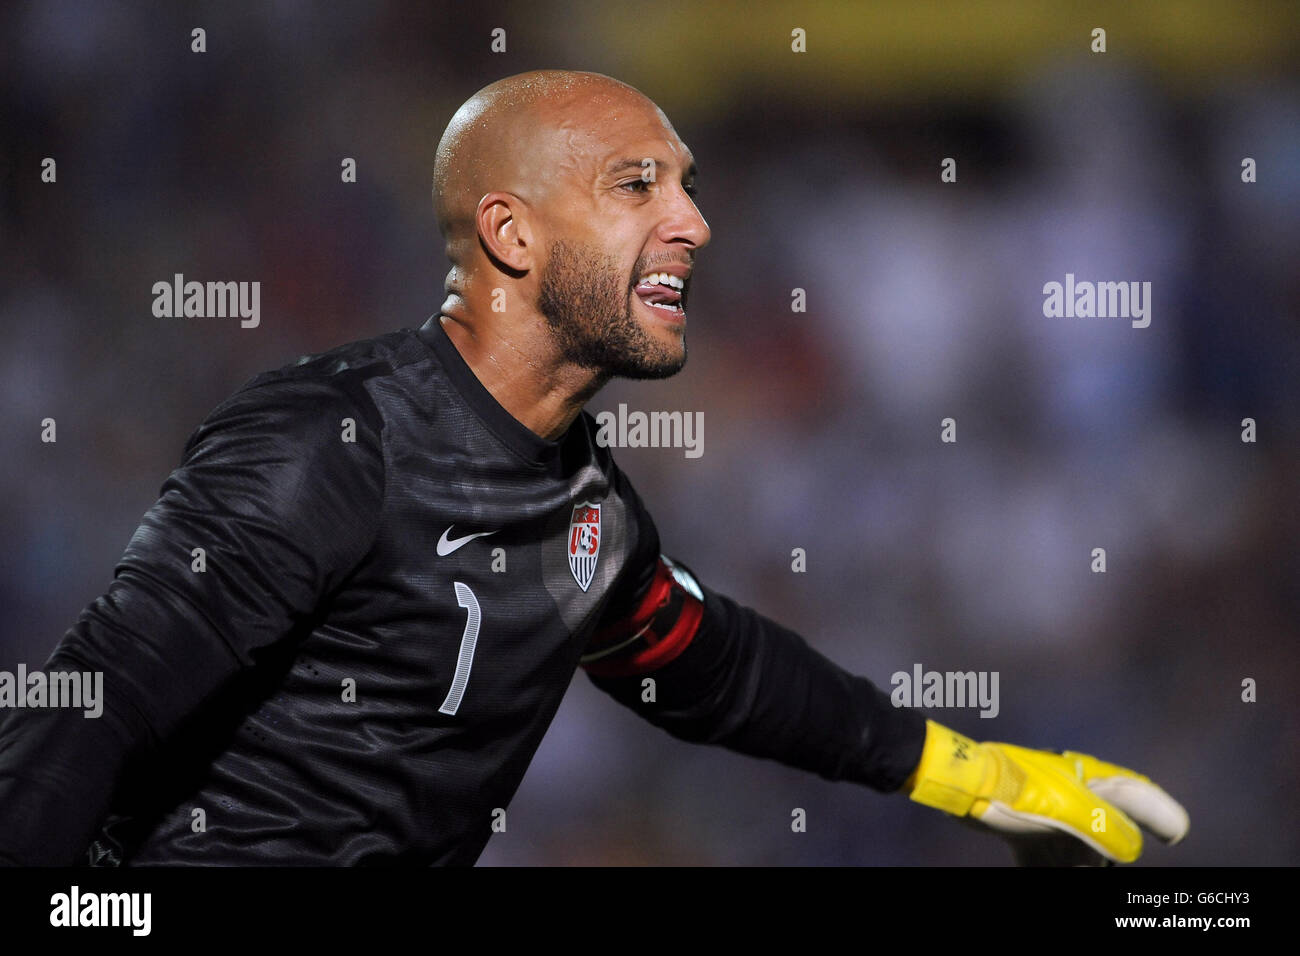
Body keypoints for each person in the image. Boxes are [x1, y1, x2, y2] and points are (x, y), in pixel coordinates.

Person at [0, 70, 1188, 866]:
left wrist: (972, 774)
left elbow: (715, 668)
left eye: (685, 183)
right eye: (638, 186)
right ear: (512, 235)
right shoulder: (329, 442)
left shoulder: (586, 516)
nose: (694, 223)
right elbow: (90, 704)